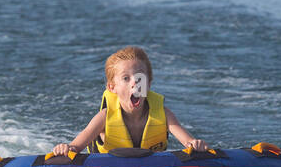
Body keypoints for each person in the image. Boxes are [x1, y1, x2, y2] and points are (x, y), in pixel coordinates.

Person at [51, 46, 209, 157]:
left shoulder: (164, 115)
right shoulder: (104, 117)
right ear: (112, 88)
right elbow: (76, 146)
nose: (135, 83)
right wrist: (66, 148)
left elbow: (188, 141)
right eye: (126, 78)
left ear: (148, 84)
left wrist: (195, 144)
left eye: (140, 77)